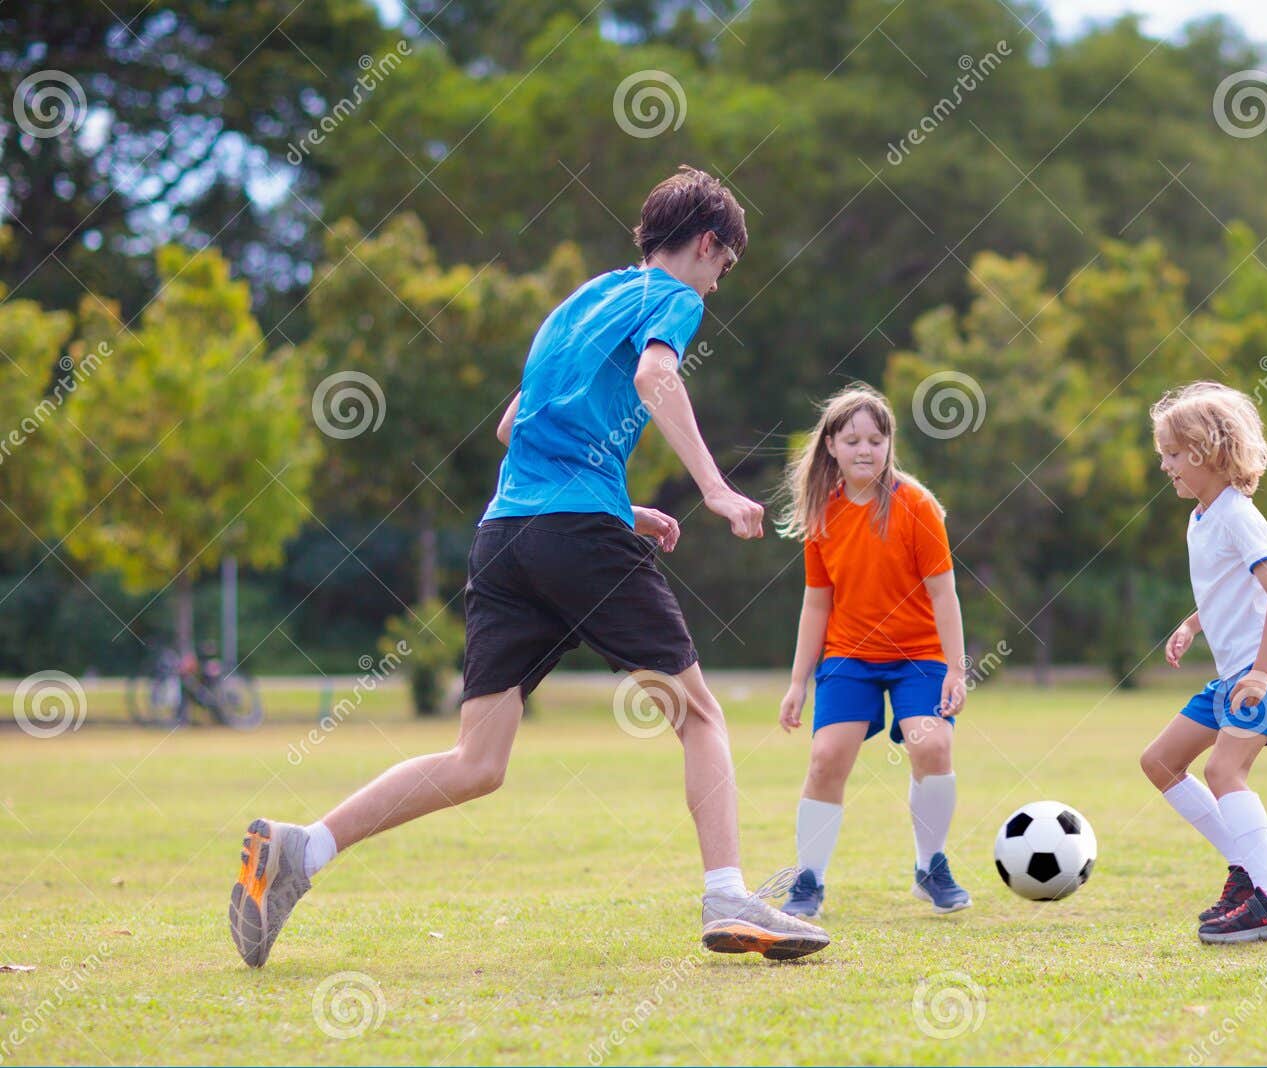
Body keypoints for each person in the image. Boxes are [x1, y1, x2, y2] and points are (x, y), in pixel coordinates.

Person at [229, 167, 830, 967]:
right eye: (723, 270)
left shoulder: (575, 306)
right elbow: (656, 376)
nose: (716, 289)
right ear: (708, 245)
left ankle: (301, 851)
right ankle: (727, 894)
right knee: (699, 715)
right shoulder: (672, 297)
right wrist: (713, 489)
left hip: (506, 537)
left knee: (478, 761)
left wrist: (622, 505)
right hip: (574, 532)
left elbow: (516, 426)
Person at [772, 385, 972, 918]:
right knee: (826, 758)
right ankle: (808, 880)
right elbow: (816, 605)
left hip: (919, 655)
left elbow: (943, 594)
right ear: (832, 446)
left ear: (889, 445)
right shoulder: (822, 512)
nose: (866, 449)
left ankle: (931, 867)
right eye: (853, 439)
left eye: (876, 439)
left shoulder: (917, 505)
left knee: (932, 749)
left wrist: (957, 667)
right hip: (848, 658)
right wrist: (797, 682)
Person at [1140, 380, 1267, 944]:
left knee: (1223, 772)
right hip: (1234, 670)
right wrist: (1194, 623)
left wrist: (1261, 673)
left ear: (1207, 452)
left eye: (1172, 454)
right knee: (1161, 762)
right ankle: (1248, 870)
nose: (1165, 466)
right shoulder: (1202, 517)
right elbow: (1227, 587)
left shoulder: (1238, 514)